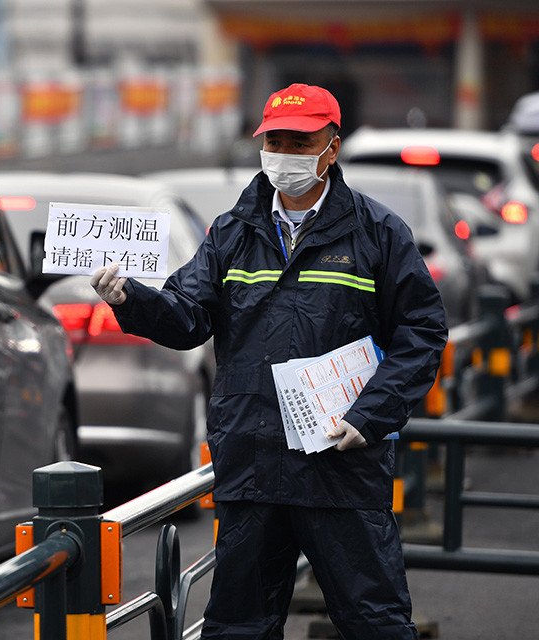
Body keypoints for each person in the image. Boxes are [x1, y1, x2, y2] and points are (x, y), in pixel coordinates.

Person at [91, 83, 447, 639]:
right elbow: (188, 317)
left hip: (341, 468)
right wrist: (130, 299)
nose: (284, 154)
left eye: (300, 143)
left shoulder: (378, 233)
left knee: (375, 624)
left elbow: (422, 332)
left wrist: (371, 416)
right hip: (252, 465)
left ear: (332, 147)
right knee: (239, 628)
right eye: (275, 141)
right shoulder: (232, 232)